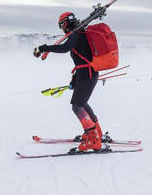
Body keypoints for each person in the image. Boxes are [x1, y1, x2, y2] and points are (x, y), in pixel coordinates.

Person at [33, 12, 103, 151]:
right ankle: (97, 133)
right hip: (86, 73)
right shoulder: (80, 34)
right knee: (82, 104)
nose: (61, 29)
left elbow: (64, 48)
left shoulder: (76, 35)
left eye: (61, 25)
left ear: (65, 23)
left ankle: (93, 139)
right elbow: (82, 58)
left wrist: (43, 48)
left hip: (87, 75)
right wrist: (75, 77)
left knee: (77, 106)